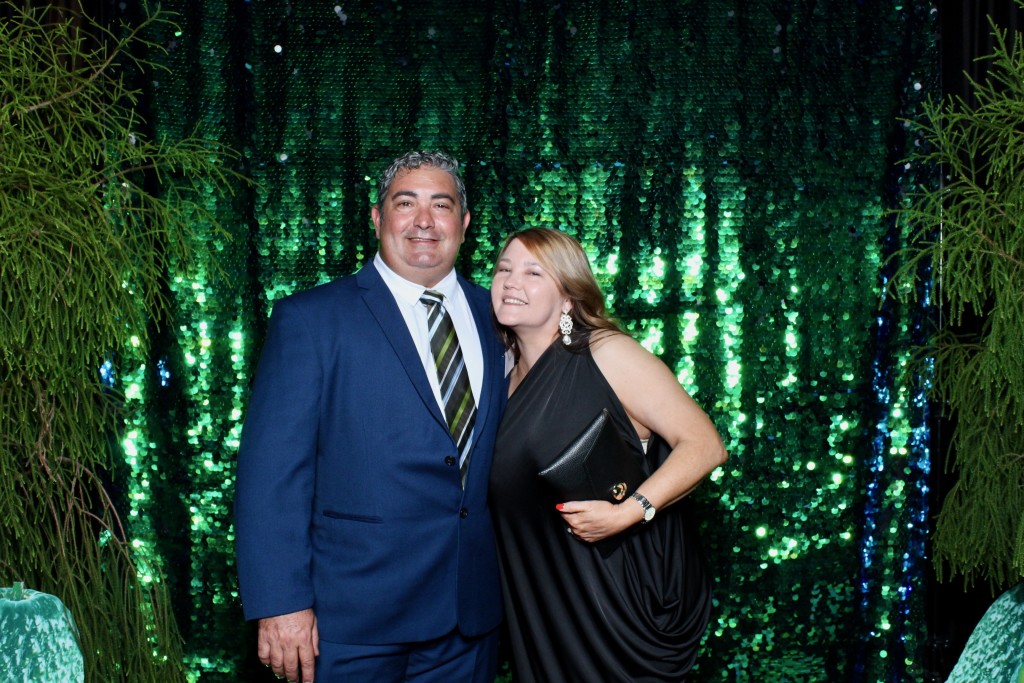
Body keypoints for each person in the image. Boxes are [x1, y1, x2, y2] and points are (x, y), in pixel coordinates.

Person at [234, 151, 508, 683]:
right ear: (377, 217)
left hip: (468, 619)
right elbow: (271, 476)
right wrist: (281, 603)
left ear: (465, 222)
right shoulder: (311, 319)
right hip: (349, 621)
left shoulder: (498, 315)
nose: (424, 221)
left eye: (441, 205)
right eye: (406, 204)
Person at [488, 227, 728, 682]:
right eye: (504, 269)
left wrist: (628, 513)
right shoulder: (499, 375)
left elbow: (704, 445)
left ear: (568, 298)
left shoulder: (605, 353)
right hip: (540, 599)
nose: (511, 281)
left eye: (533, 272)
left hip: (609, 598)